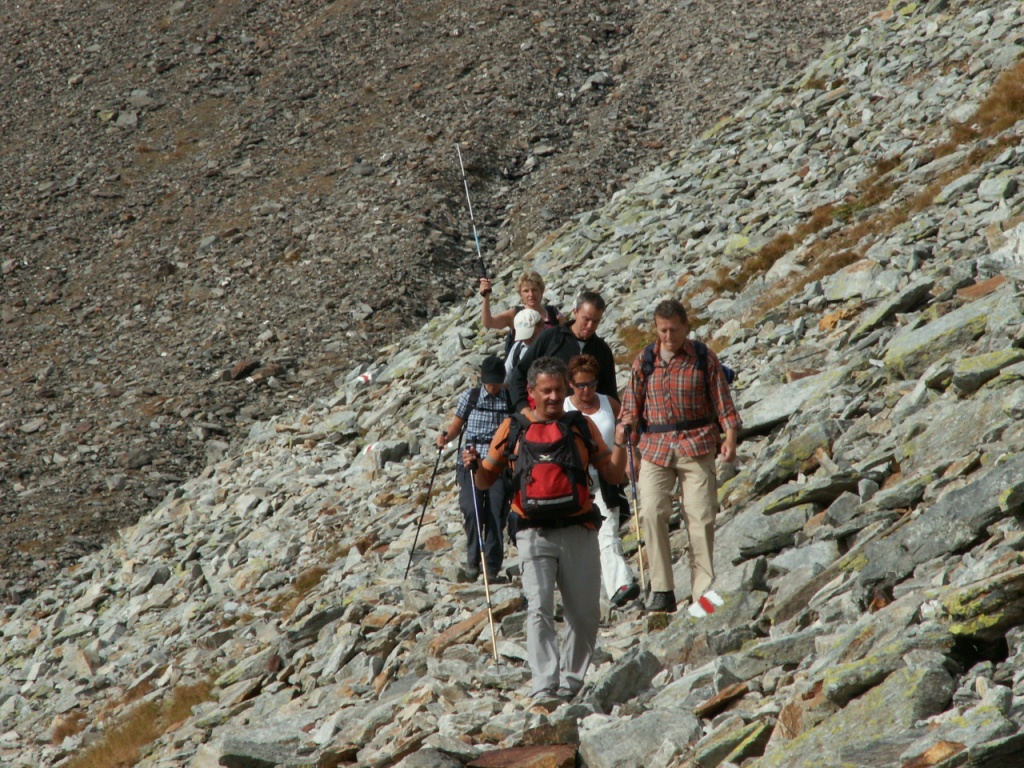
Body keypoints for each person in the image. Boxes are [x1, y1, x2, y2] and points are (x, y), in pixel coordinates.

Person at [464, 356, 628, 701]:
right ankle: (544, 685)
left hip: (579, 528)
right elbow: (484, 481)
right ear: (532, 391)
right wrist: (475, 466)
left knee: (584, 614)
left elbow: (613, 475)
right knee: (539, 608)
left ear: (566, 388)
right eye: (546, 391)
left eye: (558, 390)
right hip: (532, 531)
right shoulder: (512, 428)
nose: (554, 397)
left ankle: (571, 683)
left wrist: (621, 442)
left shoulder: (582, 426)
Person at [619, 299, 741, 616]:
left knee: (700, 516)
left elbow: (724, 404)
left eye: (673, 330)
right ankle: (662, 590)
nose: (668, 336)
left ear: (686, 327)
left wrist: (729, 439)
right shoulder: (645, 360)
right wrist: (629, 442)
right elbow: (630, 408)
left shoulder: (703, 358)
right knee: (650, 511)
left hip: (697, 444)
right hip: (655, 448)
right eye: (662, 330)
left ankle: (703, 593)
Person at [564, 354, 640, 608]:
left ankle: (621, 584)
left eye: (591, 384)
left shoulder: (609, 403)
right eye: (580, 385)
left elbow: (627, 434)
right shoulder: (564, 408)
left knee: (607, 532)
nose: (587, 390)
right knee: (584, 540)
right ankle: (598, 595)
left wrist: (632, 456)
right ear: (570, 384)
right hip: (575, 484)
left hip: (607, 478)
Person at [437, 356, 513, 582]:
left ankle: (491, 566)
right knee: (472, 510)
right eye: (489, 382)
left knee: (496, 513)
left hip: (499, 464)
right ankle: (473, 560)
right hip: (470, 461)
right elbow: (456, 425)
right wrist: (445, 437)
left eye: (496, 382)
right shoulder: (470, 397)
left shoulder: (510, 398)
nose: (492, 386)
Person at [508, 289, 617, 414]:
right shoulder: (551, 337)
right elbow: (519, 373)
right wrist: (523, 407)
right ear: (575, 312)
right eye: (586, 319)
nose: (590, 326)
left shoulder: (603, 351)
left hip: (589, 419)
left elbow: (610, 393)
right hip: (550, 417)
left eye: (596, 321)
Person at [480, 270, 562, 355]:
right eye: (526, 291)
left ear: (541, 291)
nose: (531, 294)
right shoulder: (514, 314)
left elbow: (567, 335)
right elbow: (488, 322)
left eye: (534, 290)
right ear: (520, 294)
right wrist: (486, 296)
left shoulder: (553, 313)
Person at [505, 307, 544, 382]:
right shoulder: (517, 348)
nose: (528, 339)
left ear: (541, 326)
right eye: (524, 336)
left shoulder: (552, 345)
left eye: (531, 334)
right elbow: (506, 376)